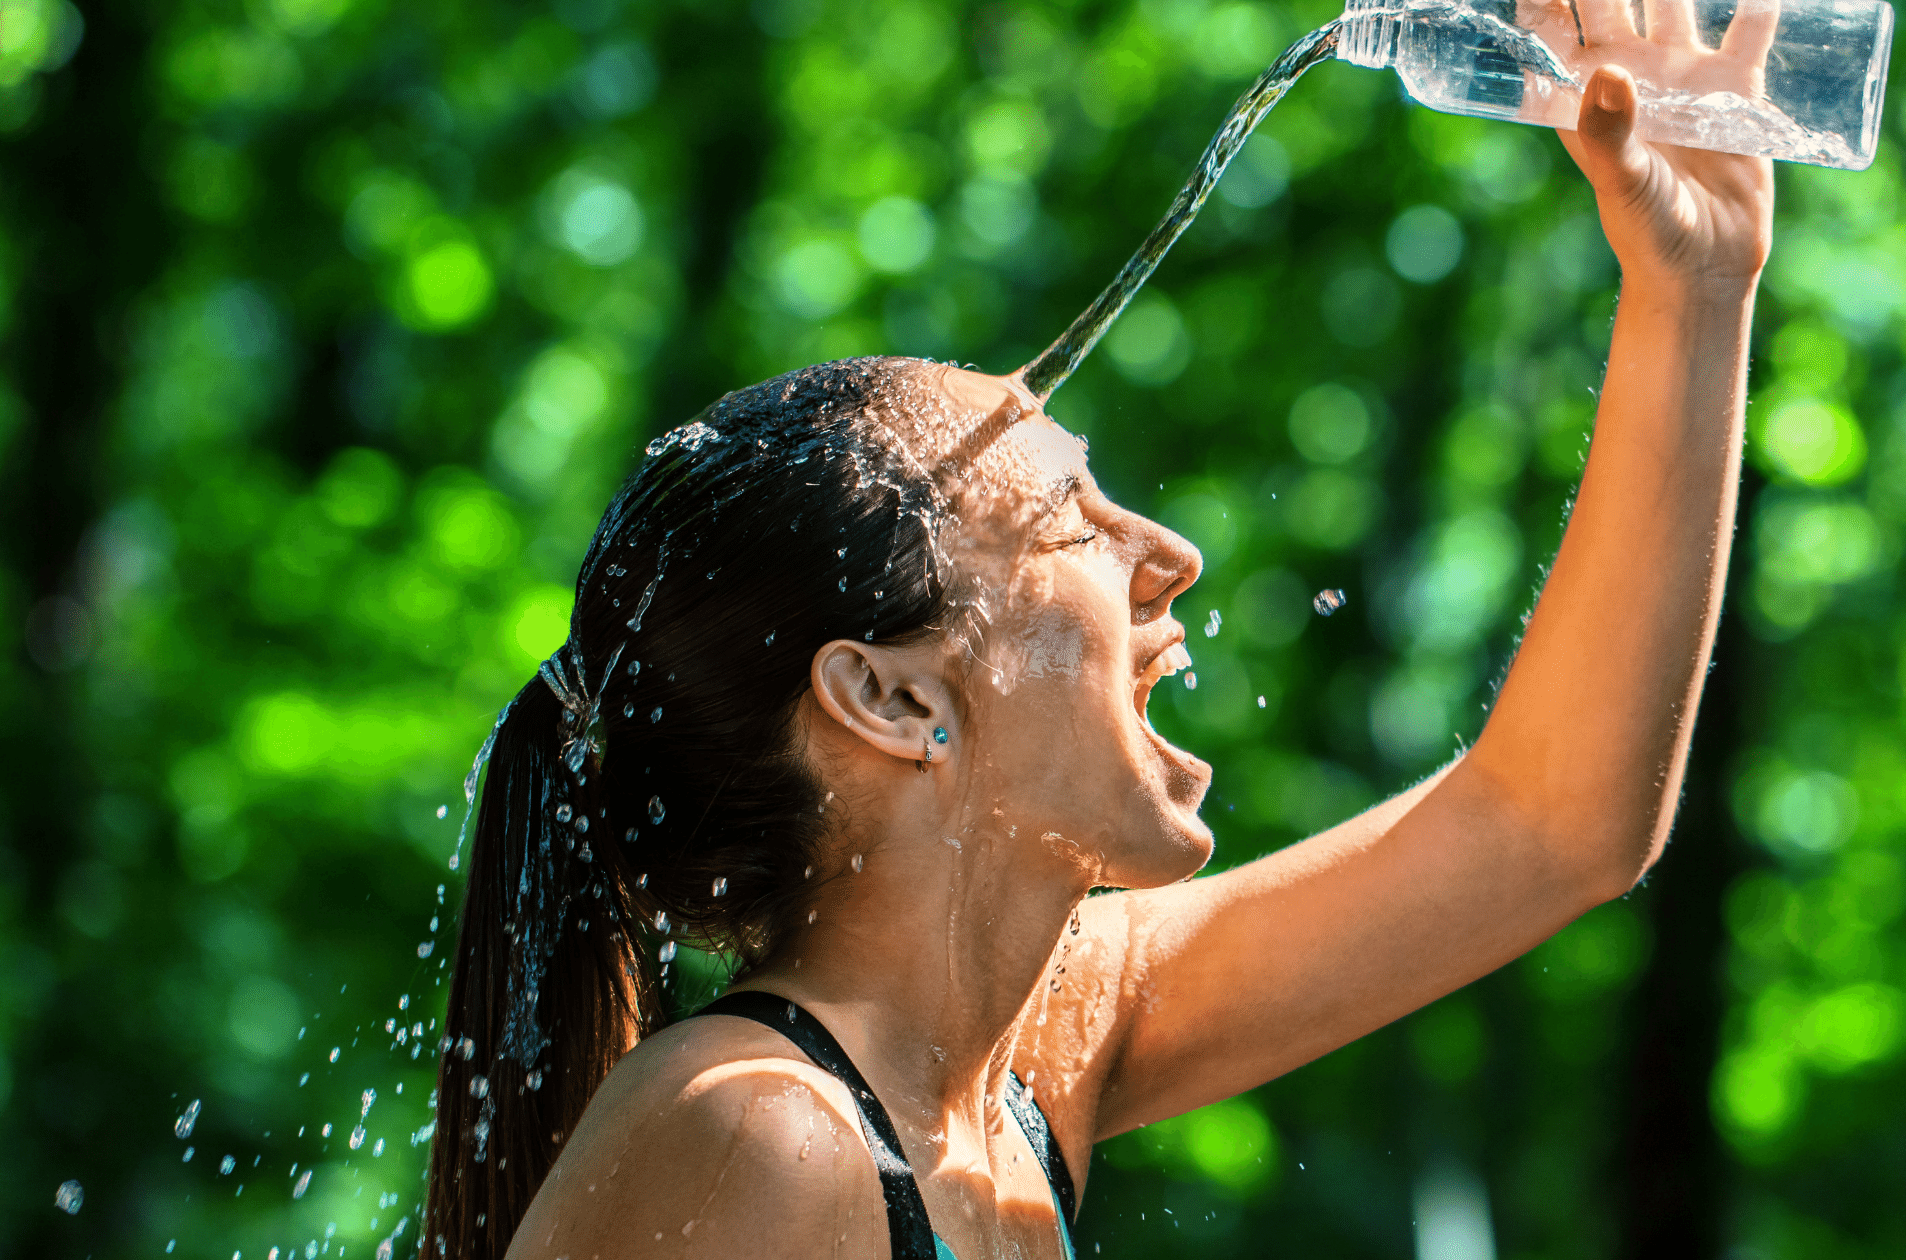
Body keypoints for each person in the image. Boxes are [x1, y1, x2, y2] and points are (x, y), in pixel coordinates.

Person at [418, 34, 1774, 1260]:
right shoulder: (757, 1137)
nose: (1172, 556)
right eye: (1073, 522)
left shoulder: (1017, 1064)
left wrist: (1693, 287)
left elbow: (1552, 823)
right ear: (889, 696)